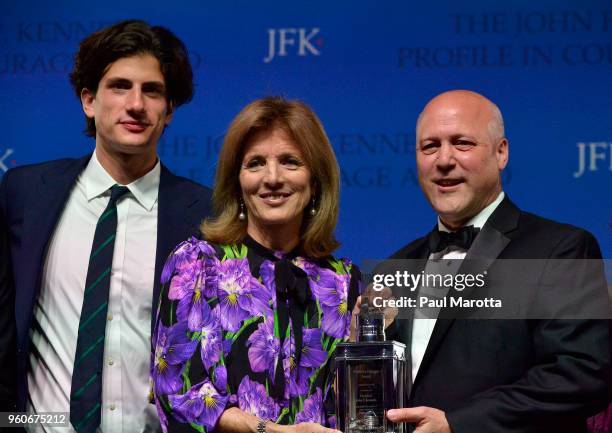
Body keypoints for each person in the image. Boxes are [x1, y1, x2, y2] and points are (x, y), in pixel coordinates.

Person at [0, 20, 212, 432]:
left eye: (152, 91)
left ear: (169, 111)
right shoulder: (24, 194)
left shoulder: (206, 216)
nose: (136, 104)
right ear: (89, 101)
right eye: (119, 86)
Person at [384, 90, 611, 433]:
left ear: (501, 152)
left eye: (462, 143)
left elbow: (583, 372)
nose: (443, 159)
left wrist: (459, 424)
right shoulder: (395, 266)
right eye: (430, 146)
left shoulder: (560, 248)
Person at [152, 96, 360, 433]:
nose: (273, 178)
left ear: (316, 179)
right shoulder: (197, 265)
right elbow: (176, 393)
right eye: (255, 163)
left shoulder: (342, 280)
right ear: (237, 180)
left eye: (291, 162)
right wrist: (271, 432)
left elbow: (350, 407)